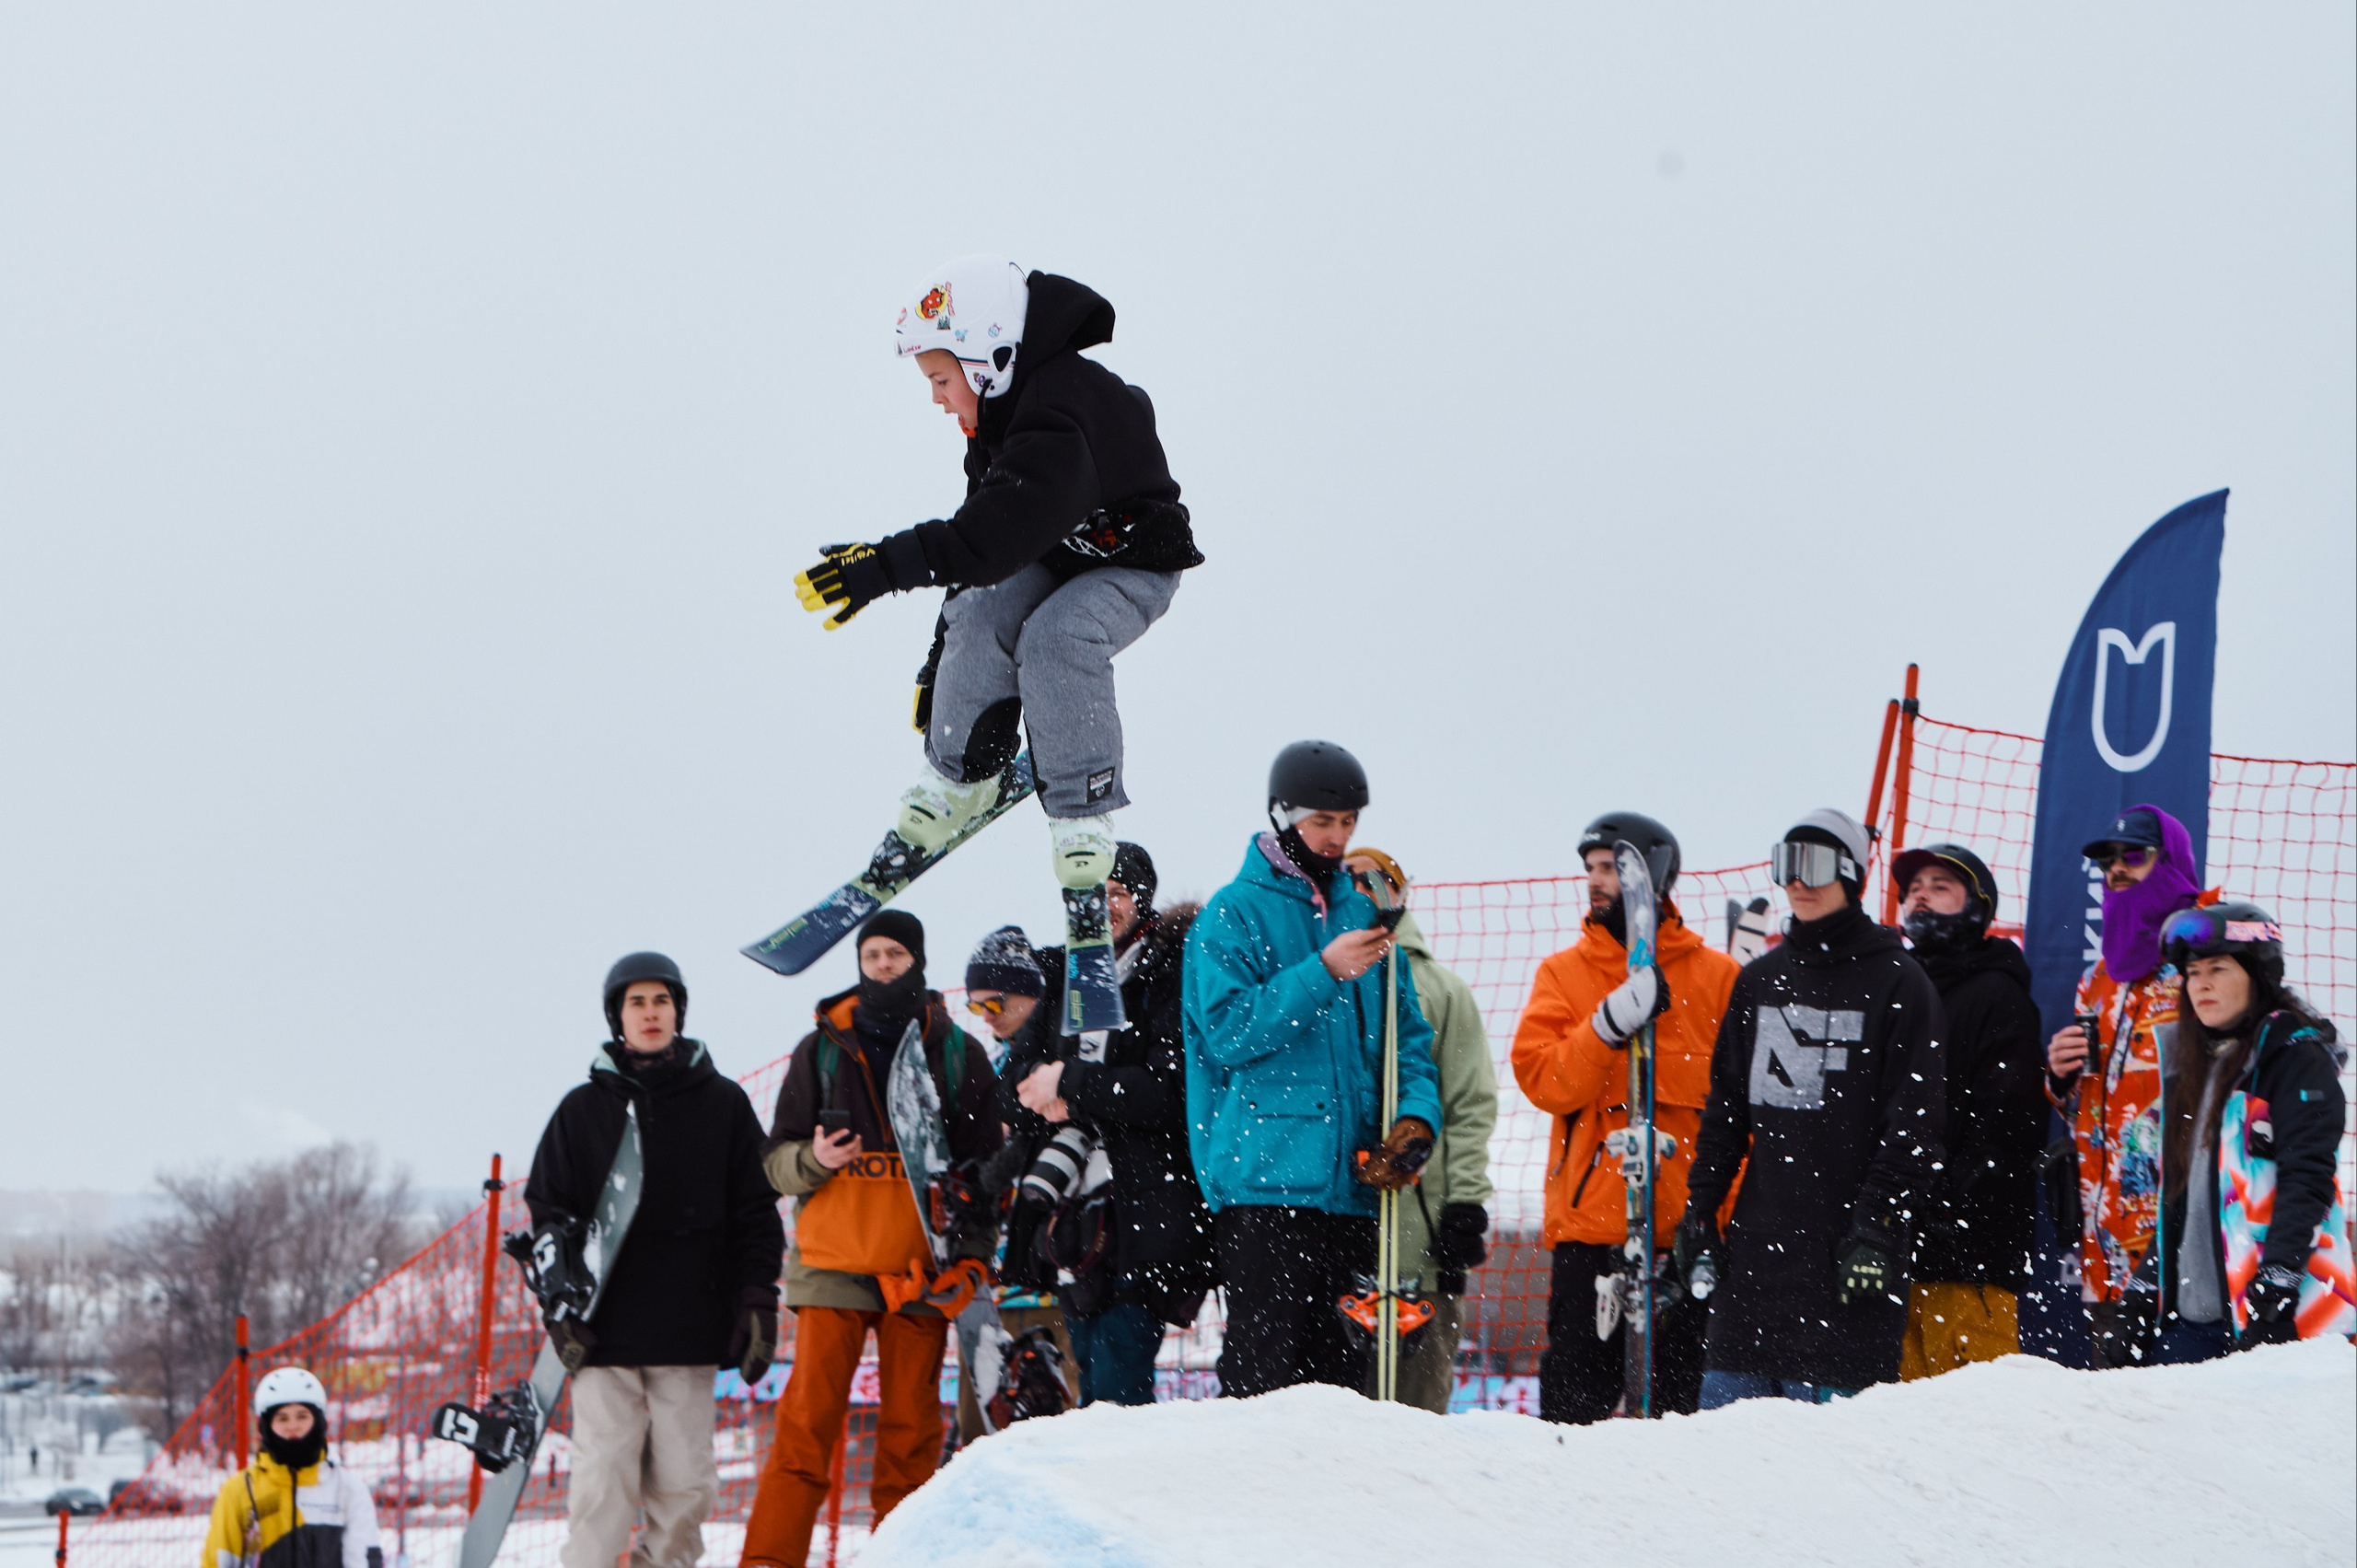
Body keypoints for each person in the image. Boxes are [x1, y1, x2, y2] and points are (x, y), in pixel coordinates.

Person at [791, 258, 1202, 1014]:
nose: (940, 401)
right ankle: (957, 774)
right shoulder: (1002, 422)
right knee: (980, 611)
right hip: (1056, 557)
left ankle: (1082, 820)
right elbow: (979, 560)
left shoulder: (1058, 411)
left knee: (1056, 640)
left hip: (1132, 569)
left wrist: (883, 566)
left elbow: (988, 533)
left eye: (942, 381)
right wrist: (945, 667)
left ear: (989, 359)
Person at [1184, 741, 1444, 1398]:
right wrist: (1323, 971)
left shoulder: (1368, 916)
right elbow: (1228, 1032)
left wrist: (1417, 1116)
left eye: (1349, 821)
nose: (1337, 837)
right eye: (1321, 821)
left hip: (1354, 1188)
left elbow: (1407, 1037)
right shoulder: (1232, 912)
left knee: (1342, 1390)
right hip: (1265, 1188)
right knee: (1262, 1379)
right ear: (1281, 816)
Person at [741, 912, 1002, 1568]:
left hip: (921, 1268)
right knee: (804, 1431)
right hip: (831, 1265)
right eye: (873, 953)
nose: (883, 964)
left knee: (912, 1437)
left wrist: (972, 1256)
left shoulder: (957, 1051)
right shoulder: (820, 1047)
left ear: (917, 960)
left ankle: (898, 1559)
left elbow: (986, 1172)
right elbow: (774, 1163)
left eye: (895, 954)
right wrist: (816, 1159)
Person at [1677, 808, 1945, 1406]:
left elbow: (1916, 1128)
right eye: (1787, 863)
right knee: (1725, 1466)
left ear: (1851, 873)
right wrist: (1699, 1211)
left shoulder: (1900, 982)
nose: (1798, 881)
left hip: (1851, 1275)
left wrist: (1876, 1226)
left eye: (1816, 864)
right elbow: (1725, 1114)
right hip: (1756, 1275)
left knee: (1831, 1480)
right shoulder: (1761, 981)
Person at [525, 953, 783, 1568]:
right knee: (601, 1486)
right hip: (601, 1330)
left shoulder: (722, 1103)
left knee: (686, 1487)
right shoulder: (581, 1110)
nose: (650, 1012)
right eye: (636, 1002)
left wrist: (756, 1297)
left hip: (690, 1326)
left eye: (660, 1001)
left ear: (678, 1011)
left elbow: (755, 1210)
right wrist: (558, 1304)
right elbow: (548, 1214)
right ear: (617, 1016)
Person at [1510, 812, 1740, 1423]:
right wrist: (1607, 1025)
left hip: (1690, 1239)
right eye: (1590, 869)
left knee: (1682, 1416)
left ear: (1654, 873)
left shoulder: (1719, 980)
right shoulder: (1563, 975)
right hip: (1593, 1233)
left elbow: (1741, 1115)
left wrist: (1721, 1222)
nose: (1596, 881)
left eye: (1611, 867)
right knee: (1572, 1413)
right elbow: (1545, 1080)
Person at [1003, 842, 1216, 1406]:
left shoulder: (1169, 972)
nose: (1103, 906)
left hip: (1142, 1216)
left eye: (1116, 893)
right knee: (1091, 1385)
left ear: (1140, 899)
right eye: (1089, 896)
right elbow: (1010, 1087)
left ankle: (1126, 1490)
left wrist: (1069, 1085)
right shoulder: (1064, 977)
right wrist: (1048, 1085)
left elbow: (1168, 1094)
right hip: (1072, 1219)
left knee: (1118, 1392)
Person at [2041, 805, 2213, 1366]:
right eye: (2108, 860)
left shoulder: (2205, 962)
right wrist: (2060, 1079)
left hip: (2187, 1243)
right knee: (2117, 1426)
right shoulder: (2098, 979)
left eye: (2134, 856)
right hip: (2105, 1251)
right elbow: (2088, 1109)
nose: (2116, 869)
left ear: (2172, 865)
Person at [2150, 902, 2354, 1358]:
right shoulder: (2191, 1068)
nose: (2200, 983)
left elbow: (2308, 1174)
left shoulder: (2296, 1057)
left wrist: (2279, 1275)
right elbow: (2178, 1193)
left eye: (2218, 968)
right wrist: (2145, 1288)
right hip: (2192, 1318)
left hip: (2280, 1314)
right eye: (2193, 972)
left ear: (2258, 976)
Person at [1344, 846, 1497, 1415]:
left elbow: (1469, 1104)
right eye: (1349, 882)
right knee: (1334, 1413)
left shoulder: (1441, 990)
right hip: (1338, 1234)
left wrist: (1465, 1204)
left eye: (1374, 883)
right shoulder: (1323, 977)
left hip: (1422, 1242)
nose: (1361, 893)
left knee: (1415, 1411)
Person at [1892, 843, 2045, 1378]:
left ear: (1976, 908)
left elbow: (2009, 1125)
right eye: (1913, 890)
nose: (1921, 899)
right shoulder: (1898, 989)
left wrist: (1949, 1210)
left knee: (1974, 1425)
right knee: (1895, 1430)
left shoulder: (1998, 995)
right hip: (1896, 1256)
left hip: (1970, 1259)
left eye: (1940, 887)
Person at [952, 925, 1079, 1441]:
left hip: (1054, 1279)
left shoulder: (1059, 1049)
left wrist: (995, 1168)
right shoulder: (996, 1063)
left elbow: (1045, 1136)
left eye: (994, 1003)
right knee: (980, 1433)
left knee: (1057, 1430)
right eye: (976, 1007)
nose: (987, 1018)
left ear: (1030, 993)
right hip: (994, 1292)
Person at [202, 1366, 383, 1568]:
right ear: (266, 1425)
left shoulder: (347, 1489)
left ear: (318, 1421)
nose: (293, 1426)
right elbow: (217, 1561)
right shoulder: (239, 1490)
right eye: (282, 1418)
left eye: (302, 1416)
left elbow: (363, 1560)